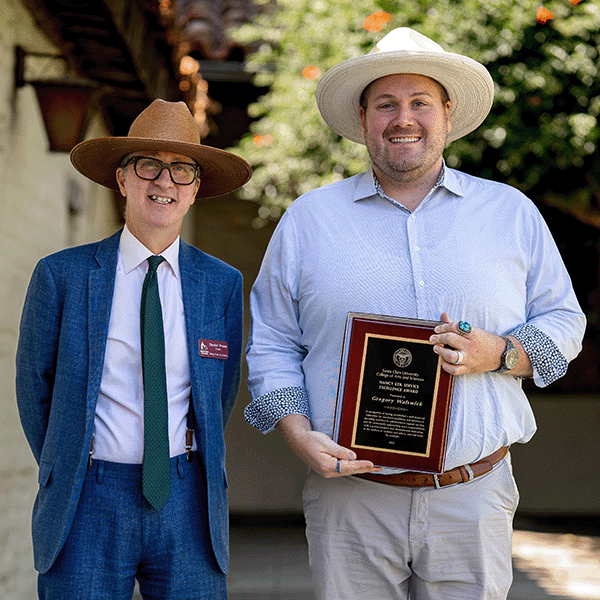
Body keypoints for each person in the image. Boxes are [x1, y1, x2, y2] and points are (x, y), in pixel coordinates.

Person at [245, 27, 586, 600]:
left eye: (420, 102)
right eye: (386, 104)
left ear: (447, 114)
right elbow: (274, 341)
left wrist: (499, 353)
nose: (404, 118)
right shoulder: (309, 220)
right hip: (351, 502)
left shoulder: (510, 213)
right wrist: (296, 433)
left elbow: (563, 320)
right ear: (364, 118)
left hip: (472, 496)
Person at [16, 99, 251, 599]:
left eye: (181, 170)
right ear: (123, 179)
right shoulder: (62, 276)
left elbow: (219, 395)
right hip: (87, 498)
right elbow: (34, 389)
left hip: (188, 499)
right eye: (148, 166)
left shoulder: (221, 284)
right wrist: (71, 459)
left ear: (195, 190)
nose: (164, 182)